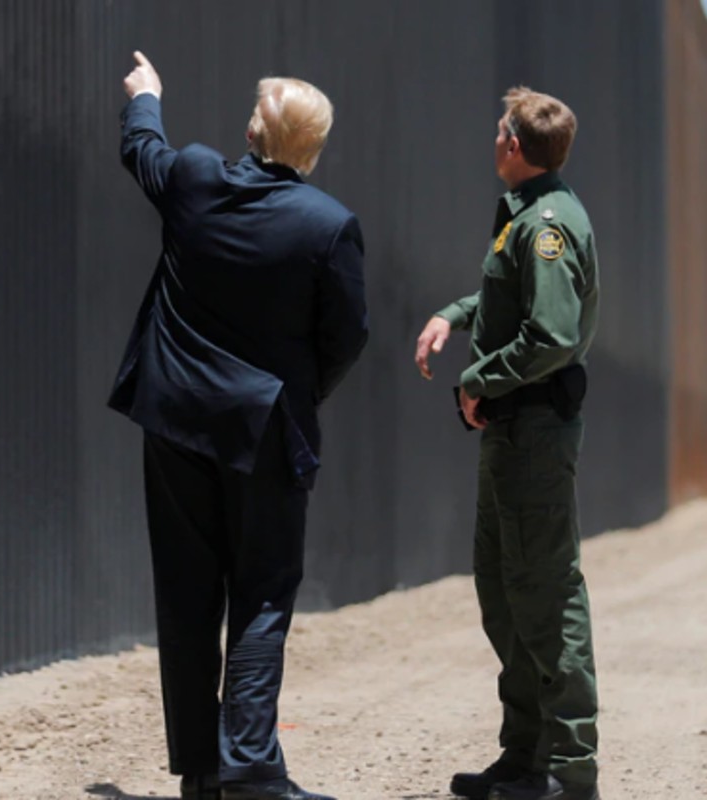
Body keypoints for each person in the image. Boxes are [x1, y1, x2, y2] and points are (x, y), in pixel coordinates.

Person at [110, 52, 368, 800]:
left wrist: (147, 97)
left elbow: (141, 150)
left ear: (254, 130)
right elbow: (346, 336)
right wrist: (296, 394)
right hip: (262, 432)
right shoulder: (329, 226)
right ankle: (249, 767)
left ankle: (201, 770)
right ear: (310, 149)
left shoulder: (194, 178)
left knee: (187, 592)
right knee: (260, 591)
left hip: (175, 421)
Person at [413, 87, 601, 800]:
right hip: (512, 431)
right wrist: (455, 314)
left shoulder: (548, 224)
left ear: (516, 147)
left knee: (545, 595)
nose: (494, 140)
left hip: (532, 432)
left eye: (500, 131)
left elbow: (550, 335)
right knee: (504, 593)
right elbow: (509, 299)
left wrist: (477, 380)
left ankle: (569, 769)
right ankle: (523, 758)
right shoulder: (525, 218)